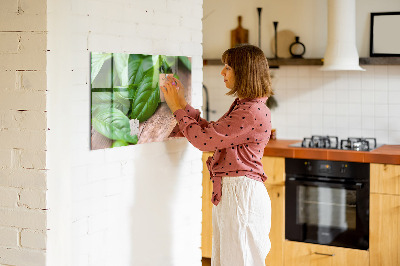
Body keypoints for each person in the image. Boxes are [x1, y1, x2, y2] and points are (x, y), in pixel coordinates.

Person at [161, 44, 273, 266]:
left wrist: (176, 108)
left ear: (244, 72)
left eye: (228, 67)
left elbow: (204, 141)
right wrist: (183, 104)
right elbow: (212, 133)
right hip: (236, 193)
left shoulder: (250, 111)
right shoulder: (246, 106)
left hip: (241, 196)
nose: (222, 72)